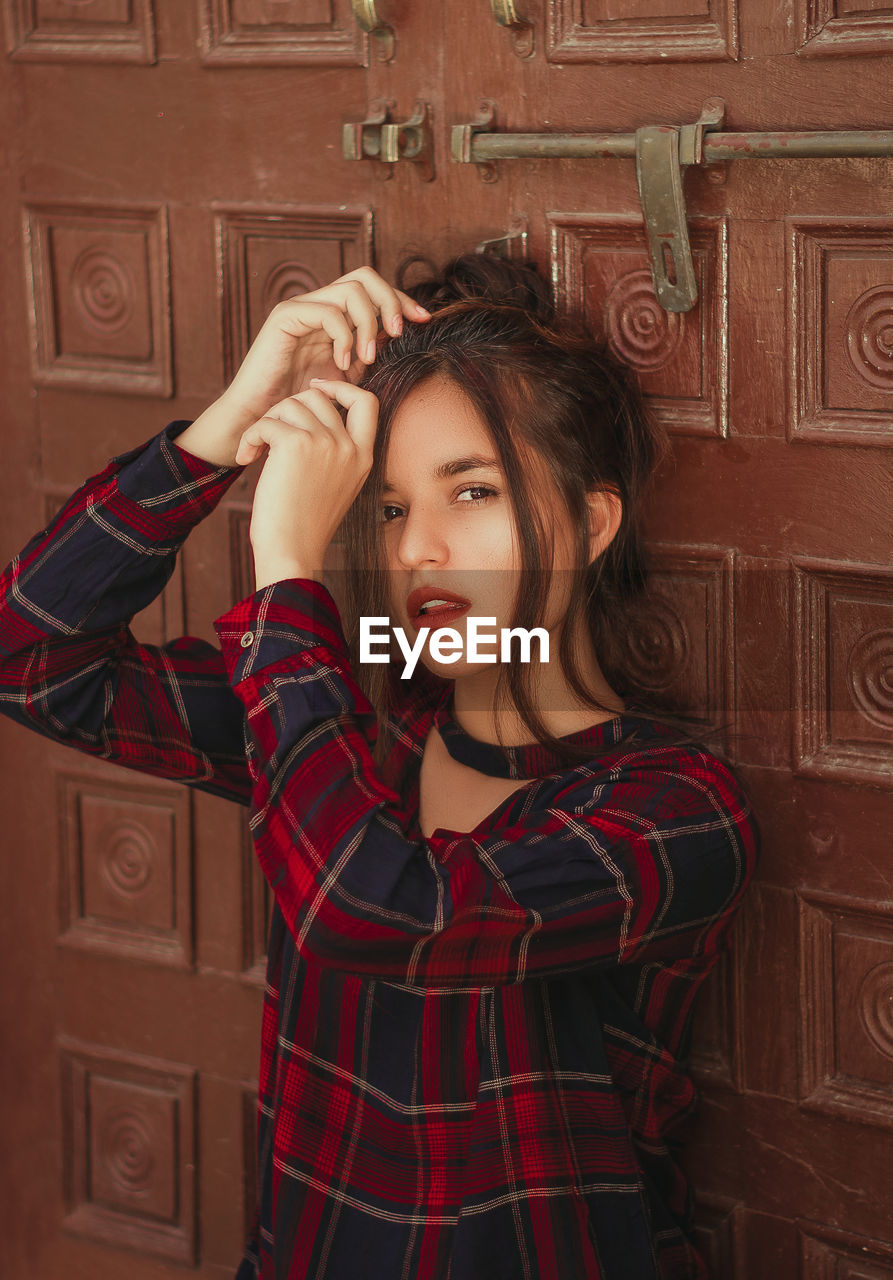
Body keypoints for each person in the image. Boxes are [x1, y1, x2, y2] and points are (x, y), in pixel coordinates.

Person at [0, 256, 760, 1279]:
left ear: (588, 522)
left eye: (472, 491)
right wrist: (227, 425)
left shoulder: (673, 809)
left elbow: (372, 906)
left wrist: (287, 569)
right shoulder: (350, 721)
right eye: (391, 506)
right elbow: (33, 658)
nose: (416, 551)